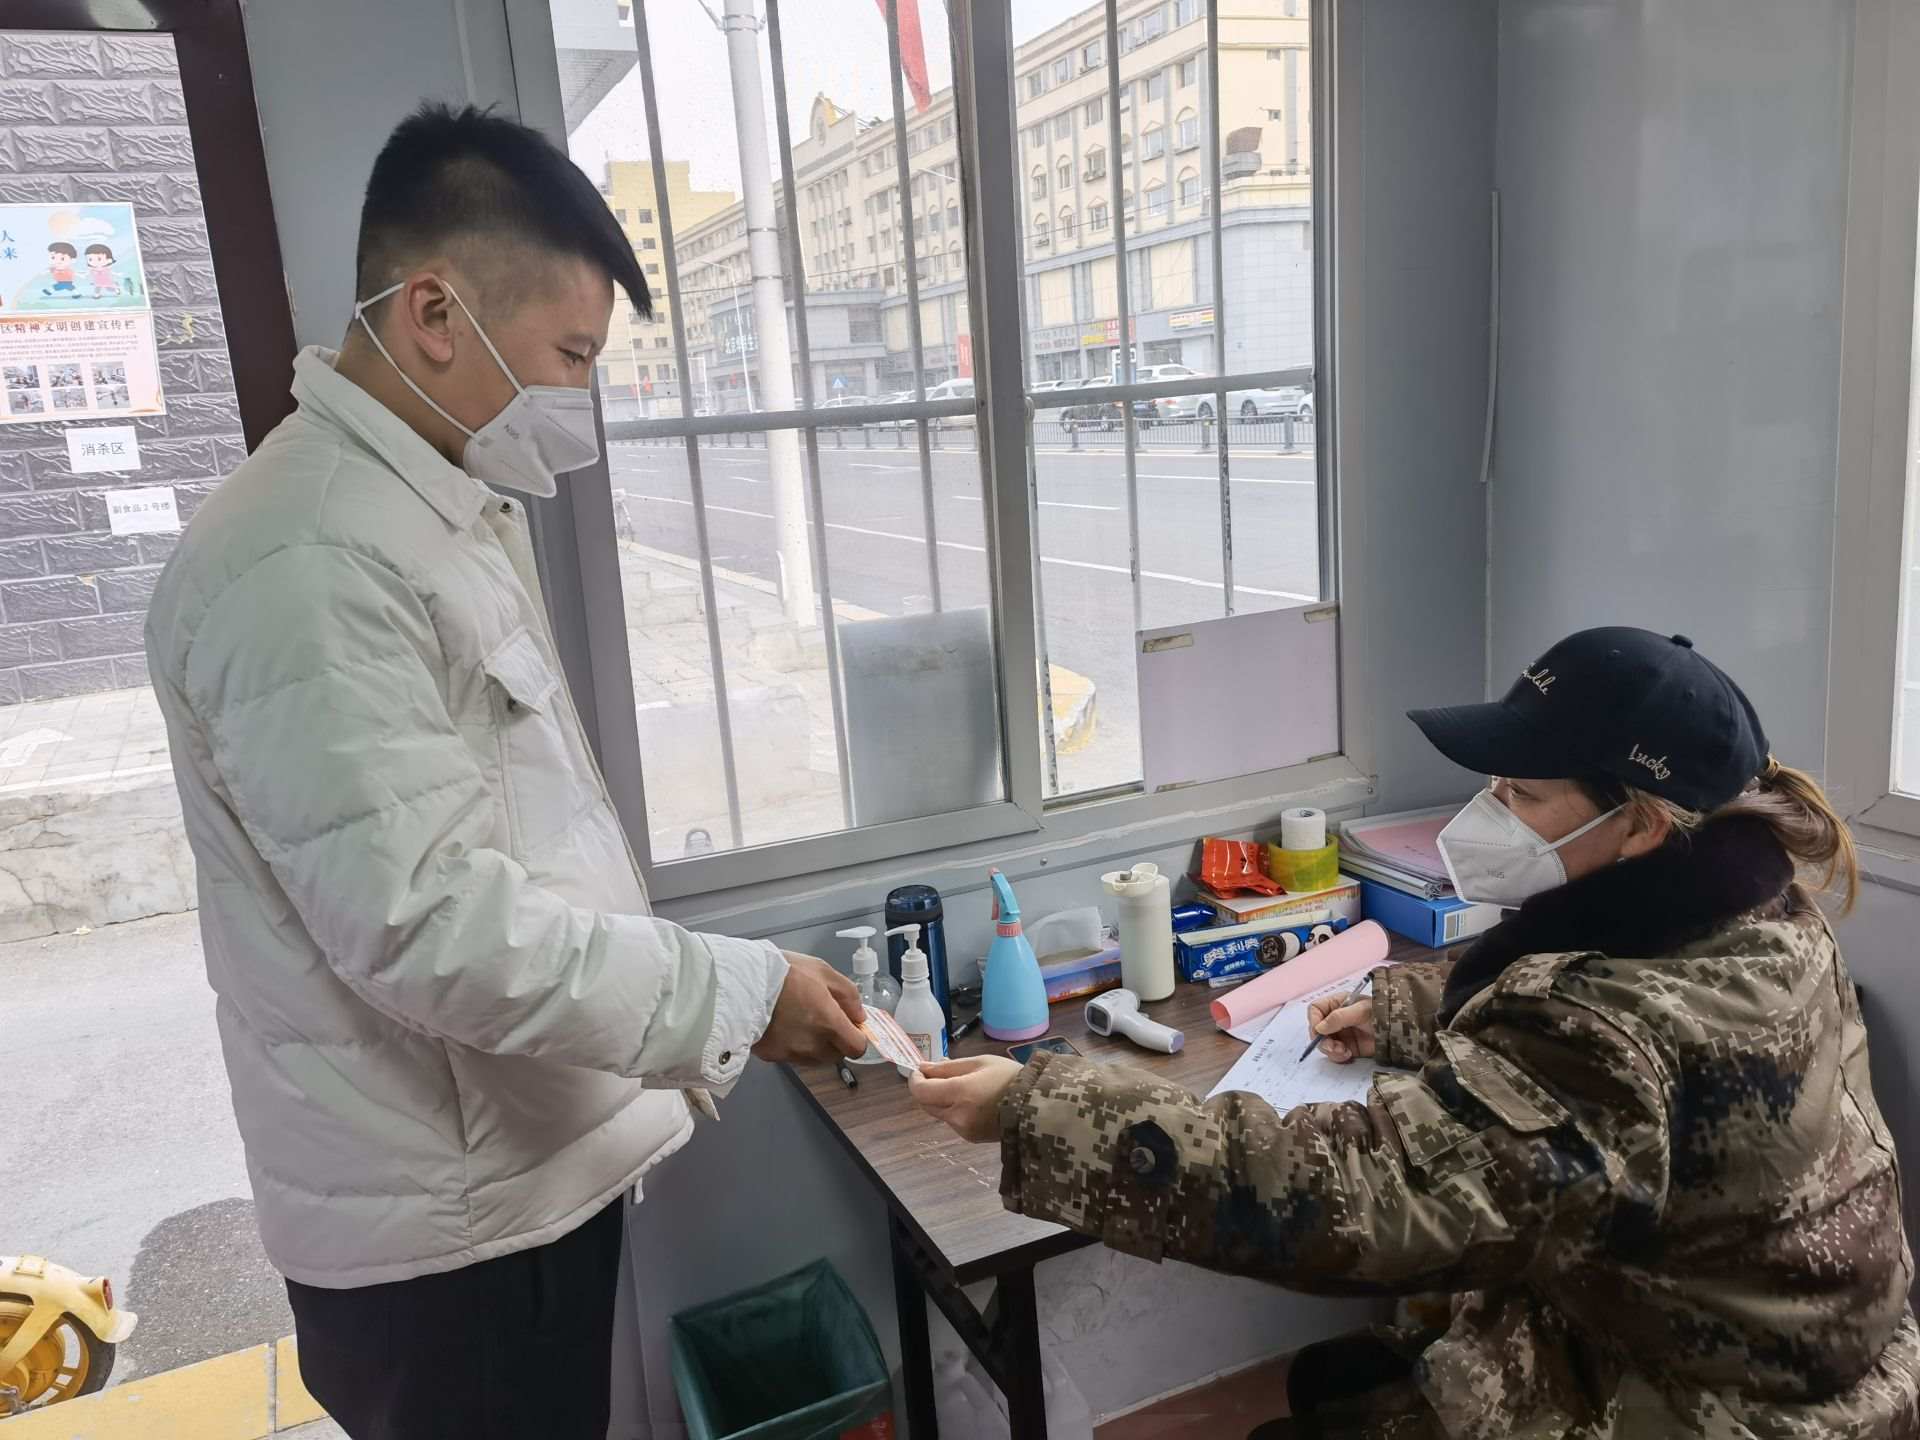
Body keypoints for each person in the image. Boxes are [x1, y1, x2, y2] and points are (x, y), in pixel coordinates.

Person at [145, 104, 868, 1440]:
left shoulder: (425, 509)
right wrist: (738, 990)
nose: (579, 402)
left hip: (490, 1184)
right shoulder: (310, 561)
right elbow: (430, 927)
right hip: (444, 1248)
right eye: (570, 357)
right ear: (435, 311)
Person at [912, 627, 1920, 1437]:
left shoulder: (1614, 1033)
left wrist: (1043, 1110)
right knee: (1336, 1380)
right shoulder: (1760, 911)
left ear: (1642, 824)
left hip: (1710, 1404)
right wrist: (1407, 1008)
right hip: (1770, 1340)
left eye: (1523, 794)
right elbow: (1613, 1000)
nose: (1489, 812)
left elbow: (1360, 1201)